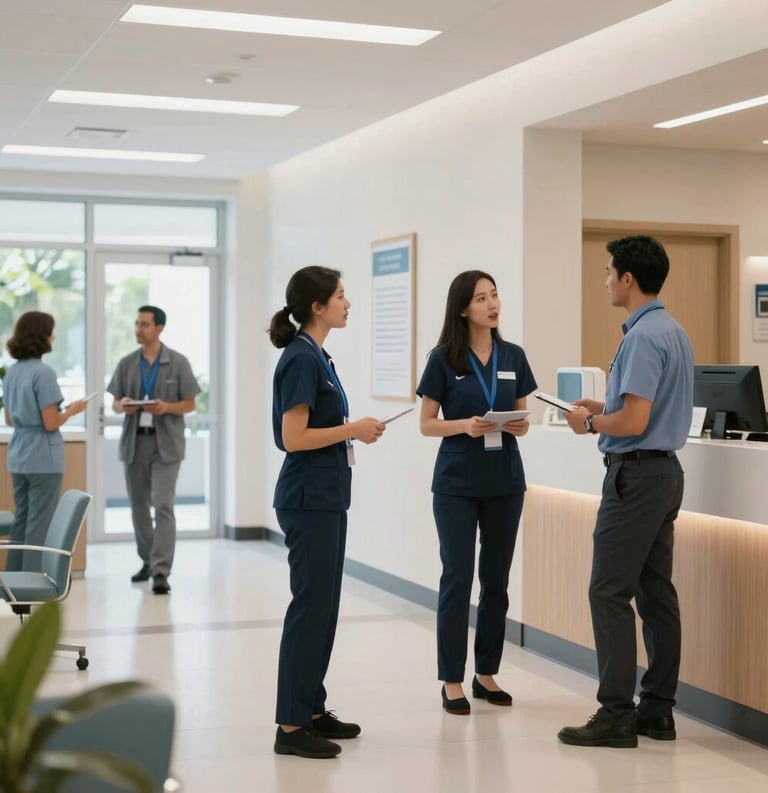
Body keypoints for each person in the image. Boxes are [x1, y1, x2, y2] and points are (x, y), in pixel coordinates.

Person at [557, 235, 694, 748]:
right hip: (664, 474)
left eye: (609, 271)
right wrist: (604, 405)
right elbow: (641, 409)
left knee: (608, 590)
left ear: (628, 279)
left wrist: (592, 424)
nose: (605, 280)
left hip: (634, 477)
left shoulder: (640, 337)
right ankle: (657, 711)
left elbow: (634, 420)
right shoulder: (673, 330)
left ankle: (615, 714)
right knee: (657, 594)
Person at [268, 266, 385, 759]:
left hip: (326, 496)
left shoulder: (318, 355)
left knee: (324, 609)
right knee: (309, 609)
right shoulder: (300, 359)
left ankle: (312, 708)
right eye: (341, 296)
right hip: (307, 499)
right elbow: (293, 439)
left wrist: (350, 430)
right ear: (317, 306)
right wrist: (351, 429)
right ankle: (291, 728)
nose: (348, 302)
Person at [416, 270, 537, 715]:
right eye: (482, 298)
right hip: (457, 485)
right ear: (463, 308)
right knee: (457, 578)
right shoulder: (444, 358)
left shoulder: (513, 355)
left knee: (497, 580)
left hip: (505, 481)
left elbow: (522, 417)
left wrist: (519, 424)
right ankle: (451, 679)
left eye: (495, 295)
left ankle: (486, 673)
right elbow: (426, 423)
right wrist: (464, 426)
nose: (492, 304)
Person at [107, 306, 199, 596]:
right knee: (137, 507)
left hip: (166, 444)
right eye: (136, 323)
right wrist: (124, 405)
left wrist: (165, 408)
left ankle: (161, 571)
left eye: (144, 324)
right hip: (136, 442)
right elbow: (115, 403)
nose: (138, 329)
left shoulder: (178, 362)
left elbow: (190, 403)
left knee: (162, 504)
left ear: (159, 328)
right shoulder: (126, 363)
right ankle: (147, 560)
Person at [3, 311, 88, 572]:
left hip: (18, 455)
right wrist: (73, 411)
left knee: (22, 521)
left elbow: (9, 419)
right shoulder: (44, 373)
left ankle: (12, 581)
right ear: (43, 337)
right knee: (39, 523)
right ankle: (30, 584)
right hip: (42, 457)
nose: (54, 336)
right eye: (51, 331)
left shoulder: (12, 372)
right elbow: (51, 422)